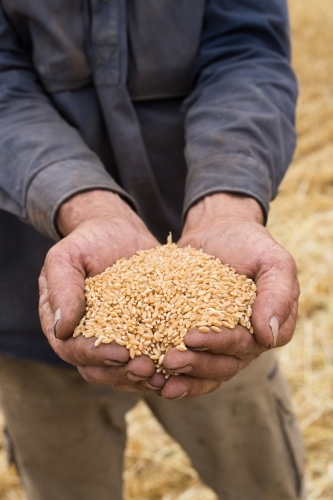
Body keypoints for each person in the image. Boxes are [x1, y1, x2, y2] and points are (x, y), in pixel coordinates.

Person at [0, 0, 304, 499]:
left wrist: (228, 197)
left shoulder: (217, 295)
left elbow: (247, 50)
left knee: (261, 477)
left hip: (217, 314)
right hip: (29, 284)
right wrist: (80, 203)